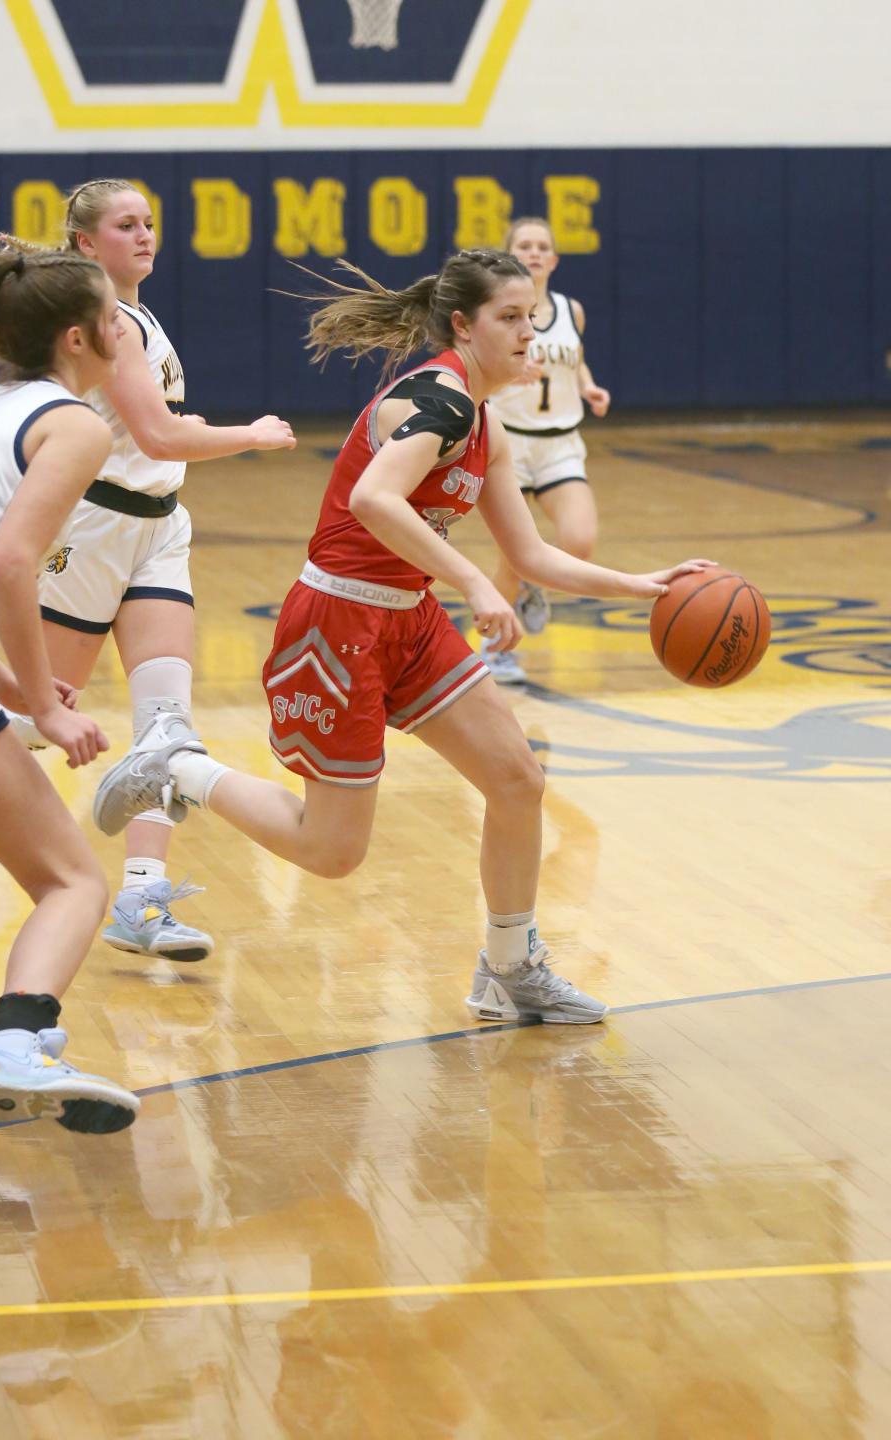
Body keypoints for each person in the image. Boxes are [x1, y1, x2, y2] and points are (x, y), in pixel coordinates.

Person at [91, 250, 713, 1025]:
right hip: (338, 621)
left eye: (531, 317)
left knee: (517, 780)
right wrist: (475, 584)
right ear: (464, 325)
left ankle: (509, 968)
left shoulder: (484, 420)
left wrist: (644, 585)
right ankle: (177, 767)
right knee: (332, 853)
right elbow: (374, 497)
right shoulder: (441, 400)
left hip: (407, 619)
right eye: (509, 319)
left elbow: (530, 553)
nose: (530, 334)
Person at [21, 178, 295, 964]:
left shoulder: (137, 317)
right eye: (124, 225)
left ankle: (141, 898)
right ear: (84, 243)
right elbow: (158, 436)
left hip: (158, 528)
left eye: (149, 223)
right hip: (97, 527)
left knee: (166, 731)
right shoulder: (106, 322)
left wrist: (180, 431)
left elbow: (155, 433)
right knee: (38, 722)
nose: (144, 235)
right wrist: (252, 433)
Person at [0, 241, 140, 1131]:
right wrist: (49, 708)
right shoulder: (76, 423)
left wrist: (15, 685)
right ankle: (16, 1044)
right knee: (73, 883)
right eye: (113, 310)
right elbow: (8, 562)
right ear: (81, 337)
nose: (125, 319)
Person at [484, 216, 611, 684]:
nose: (535, 252)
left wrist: (589, 386)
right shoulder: (494, 311)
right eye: (525, 245)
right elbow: (476, 366)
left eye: (542, 246)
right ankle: (494, 650)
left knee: (579, 541)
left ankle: (535, 587)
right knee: (513, 557)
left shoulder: (570, 310)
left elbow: (573, 358)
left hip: (559, 442)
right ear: (509, 257)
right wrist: (509, 372)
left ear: (553, 259)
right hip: (507, 445)